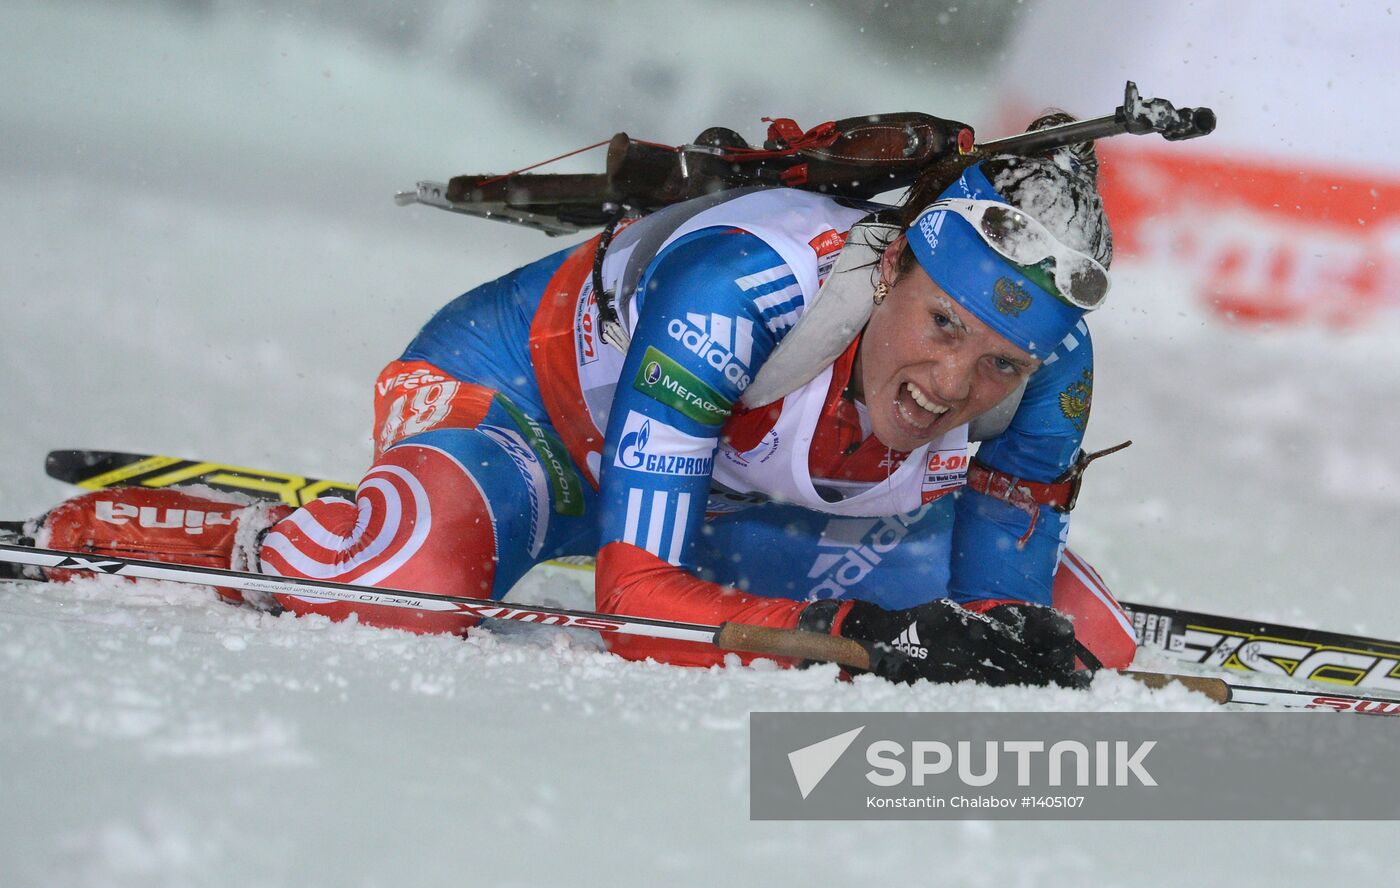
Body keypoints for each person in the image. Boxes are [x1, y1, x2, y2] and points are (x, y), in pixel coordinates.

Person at [34, 115, 1138, 687]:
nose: (955, 388)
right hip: (526, 421)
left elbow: (996, 611)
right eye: (944, 326)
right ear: (893, 266)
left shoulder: (1056, 373)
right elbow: (633, 609)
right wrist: (867, 634)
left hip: (720, 492)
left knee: (1082, 637)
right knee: (411, 588)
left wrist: (977, 633)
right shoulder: (742, 290)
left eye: (1000, 364)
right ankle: (250, 543)